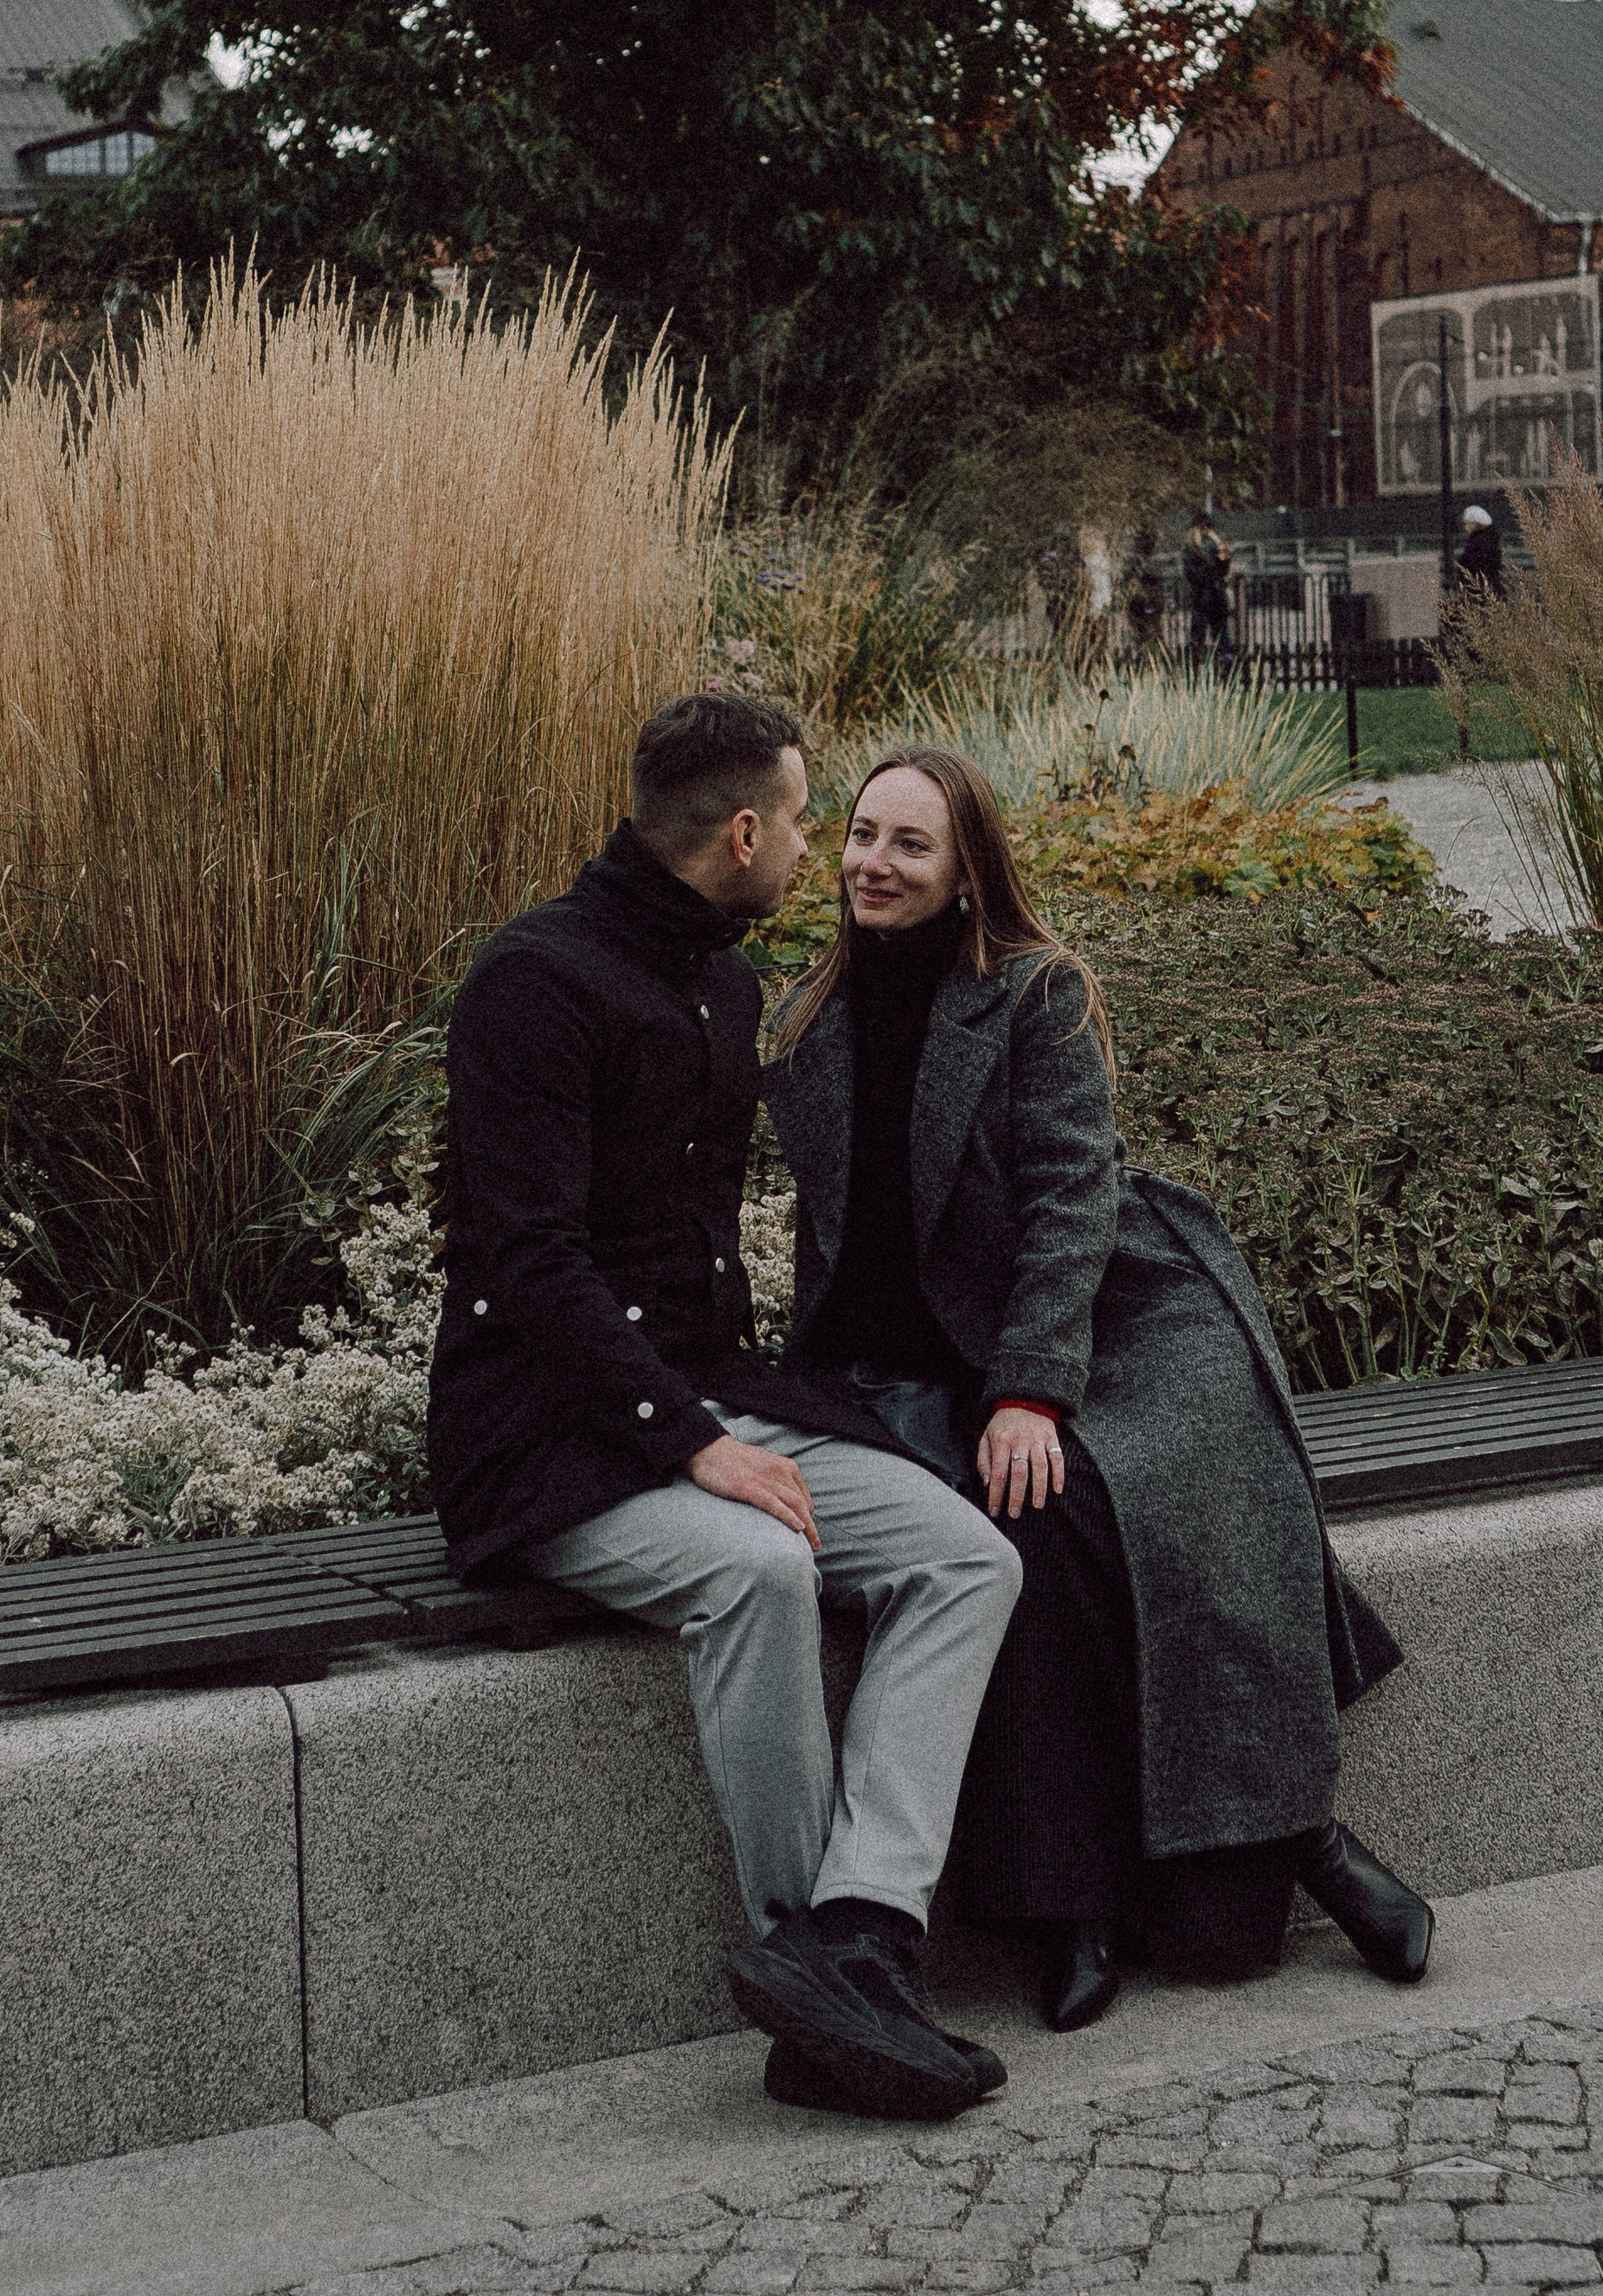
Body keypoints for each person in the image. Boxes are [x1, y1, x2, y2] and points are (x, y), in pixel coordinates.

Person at [763, 746, 1433, 2036]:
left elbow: (1075, 1204)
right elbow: (836, 1246)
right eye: (859, 836)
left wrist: (1029, 1391)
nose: (872, 863)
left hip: (1120, 1314)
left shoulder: (1034, 994)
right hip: (928, 1362)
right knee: (1021, 1535)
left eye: (911, 845)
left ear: (967, 875)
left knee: (1094, 1505)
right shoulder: (806, 1023)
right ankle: (1117, 1900)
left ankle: (1288, 1851)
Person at [429, 692, 1024, 2123]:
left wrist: (736, 1425)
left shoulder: (723, 983)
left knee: (969, 1556)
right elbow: (527, 1263)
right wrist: (696, 1448)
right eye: (810, 819)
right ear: (744, 831)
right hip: (543, 1438)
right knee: (765, 1572)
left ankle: (855, 1941)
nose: (818, 847)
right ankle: (805, 1957)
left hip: (707, 1403)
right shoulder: (534, 982)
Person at [1181, 513, 1233, 659]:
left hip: (1214, 597)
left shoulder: (1212, 546)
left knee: (1221, 637)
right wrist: (1214, 562)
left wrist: (1223, 559)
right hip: (1203, 598)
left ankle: (1225, 663)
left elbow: (1222, 571)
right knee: (1201, 638)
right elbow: (1194, 575)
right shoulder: (1192, 550)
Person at [1456, 502, 1504, 597]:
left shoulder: (1478, 544)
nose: (1465, 528)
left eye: (1467, 524)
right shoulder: (1490, 541)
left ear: (1476, 524)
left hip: (1479, 590)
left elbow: (1474, 566)